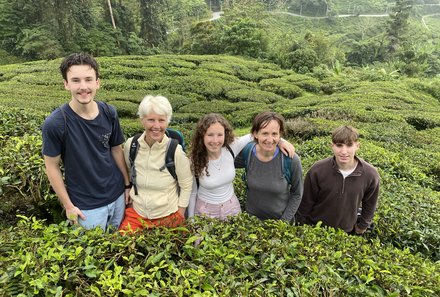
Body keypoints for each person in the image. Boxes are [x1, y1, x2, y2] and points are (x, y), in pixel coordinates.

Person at [42, 53, 130, 231]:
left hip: (118, 196)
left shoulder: (109, 112)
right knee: (93, 255)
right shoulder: (55, 123)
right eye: (76, 80)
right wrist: (68, 206)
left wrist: (127, 185)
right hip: (87, 207)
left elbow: (116, 150)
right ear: (66, 84)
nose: (83, 87)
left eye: (88, 79)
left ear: (98, 82)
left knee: (118, 248)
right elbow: (51, 166)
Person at [187, 113, 295, 220]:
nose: (215, 140)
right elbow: (192, 193)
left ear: (225, 135)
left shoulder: (231, 148)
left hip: (231, 208)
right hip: (205, 210)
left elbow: (258, 134)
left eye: (220, 135)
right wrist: (191, 220)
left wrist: (281, 141)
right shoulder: (194, 160)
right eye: (210, 135)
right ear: (202, 136)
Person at [119, 95, 193, 233]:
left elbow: (187, 184)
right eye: (151, 120)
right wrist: (127, 187)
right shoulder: (132, 145)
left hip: (168, 215)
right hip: (137, 214)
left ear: (167, 122)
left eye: (161, 120)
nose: (156, 126)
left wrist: (180, 213)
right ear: (142, 120)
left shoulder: (175, 151)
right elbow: (129, 171)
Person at [296, 125, 380, 235]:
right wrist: (299, 227)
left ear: (357, 146)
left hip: (347, 232)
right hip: (314, 229)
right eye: (339, 145)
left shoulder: (370, 174)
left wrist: (362, 226)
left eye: (349, 145)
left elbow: (370, 204)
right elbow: (306, 202)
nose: (344, 151)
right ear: (332, 146)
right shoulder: (317, 170)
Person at [235, 111, 303, 222]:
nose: (270, 139)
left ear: (280, 135)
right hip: (251, 222)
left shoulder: (290, 159)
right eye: (265, 133)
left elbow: (297, 193)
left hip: (280, 223)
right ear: (256, 134)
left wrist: (283, 223)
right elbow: (223, 158)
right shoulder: (248, 152)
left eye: (274, 134)